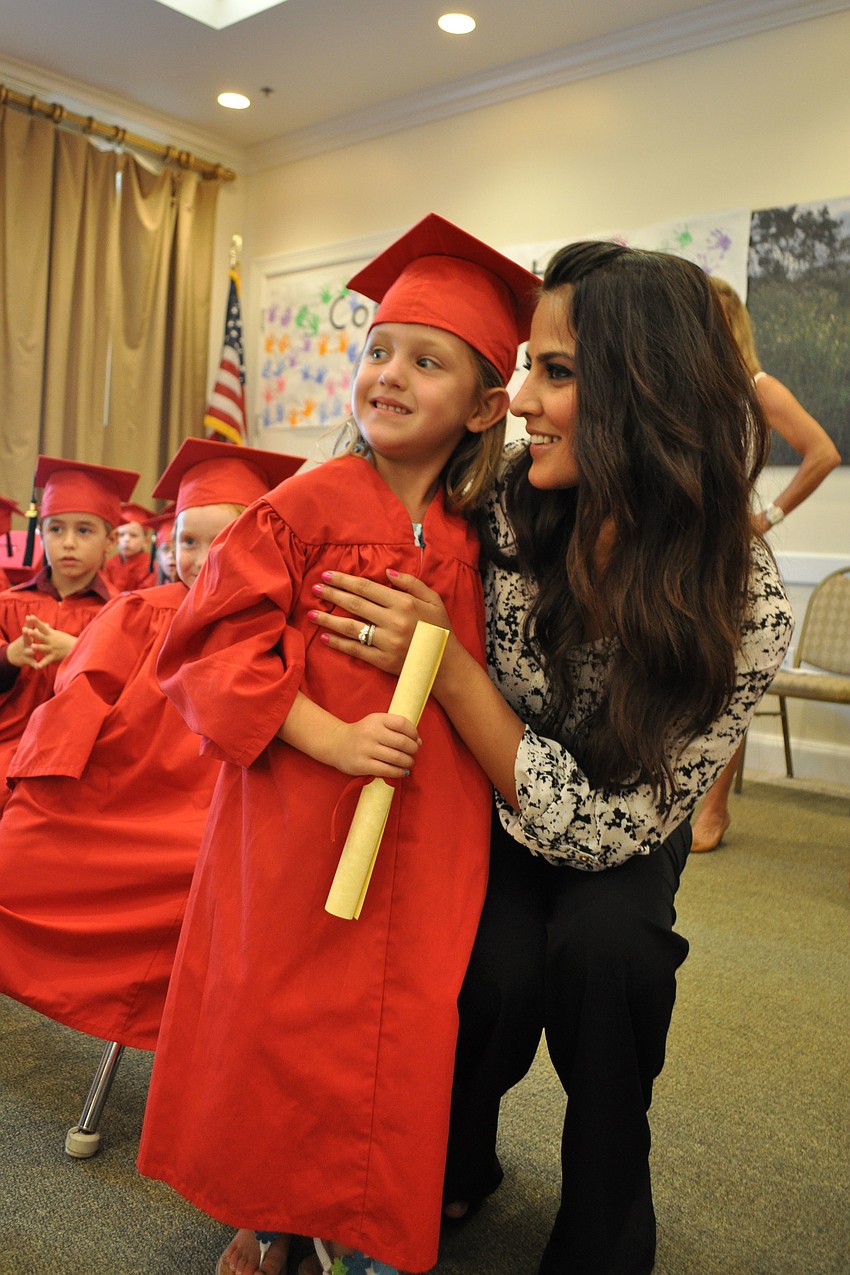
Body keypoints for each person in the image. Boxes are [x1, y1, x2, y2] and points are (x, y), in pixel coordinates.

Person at [305, 242, 795, 1275]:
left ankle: (607, 1217)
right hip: (483, 804)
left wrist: (449, 671)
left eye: (557, 372)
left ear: (648, 390)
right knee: (490, 972)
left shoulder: (743, 603)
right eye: (528, 365)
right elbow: (366, 488)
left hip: (623, 825)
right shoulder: (499, 504)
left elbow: (608, 827)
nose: (521, 398)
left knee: (611, 960)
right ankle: (451, 1156)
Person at [136, 213, 539, 1275]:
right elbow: (207, 649)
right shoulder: (300, 507)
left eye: (427, 360)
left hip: (431, 823)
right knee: (285, 1011)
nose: (389, 373)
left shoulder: (480, 533)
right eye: (378, 350)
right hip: (297, 810)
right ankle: (267, 1210)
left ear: (486, 406)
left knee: (399, 1023)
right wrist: (333, 737)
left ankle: (359, 1218)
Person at [0, 439, 301, 1053]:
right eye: (188, 541)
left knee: (231, 892)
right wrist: (35, 791)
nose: (202, 558)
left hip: (217, 816)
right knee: (19, 857)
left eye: (222, 539)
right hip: (117, 802)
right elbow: (78, 701)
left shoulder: (279, 633)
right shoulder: (137, 612)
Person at [690, 276, 841, 852]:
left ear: (733, 323)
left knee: (730, 676)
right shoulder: (683, 387)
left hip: (729, 550)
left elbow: (823, 451)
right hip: (678, 545)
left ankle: (715, 808)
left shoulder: (757, 386)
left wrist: (767, 518)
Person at [0, 457, 138, 803]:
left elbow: (137, 697)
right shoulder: (8, 605)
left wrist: (81, 652)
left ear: (110, 540)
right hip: (8, 748)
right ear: (41, 534)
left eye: (84, 530)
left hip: (87, 758)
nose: (68, 542)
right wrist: (10, 655)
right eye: (56, 529)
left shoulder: (126, 613)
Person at [102, 501, 158, 590]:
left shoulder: (150, 566)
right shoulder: (110, 564)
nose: (126, 539)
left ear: (145, 541)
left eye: (133, 535)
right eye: (122, 535)